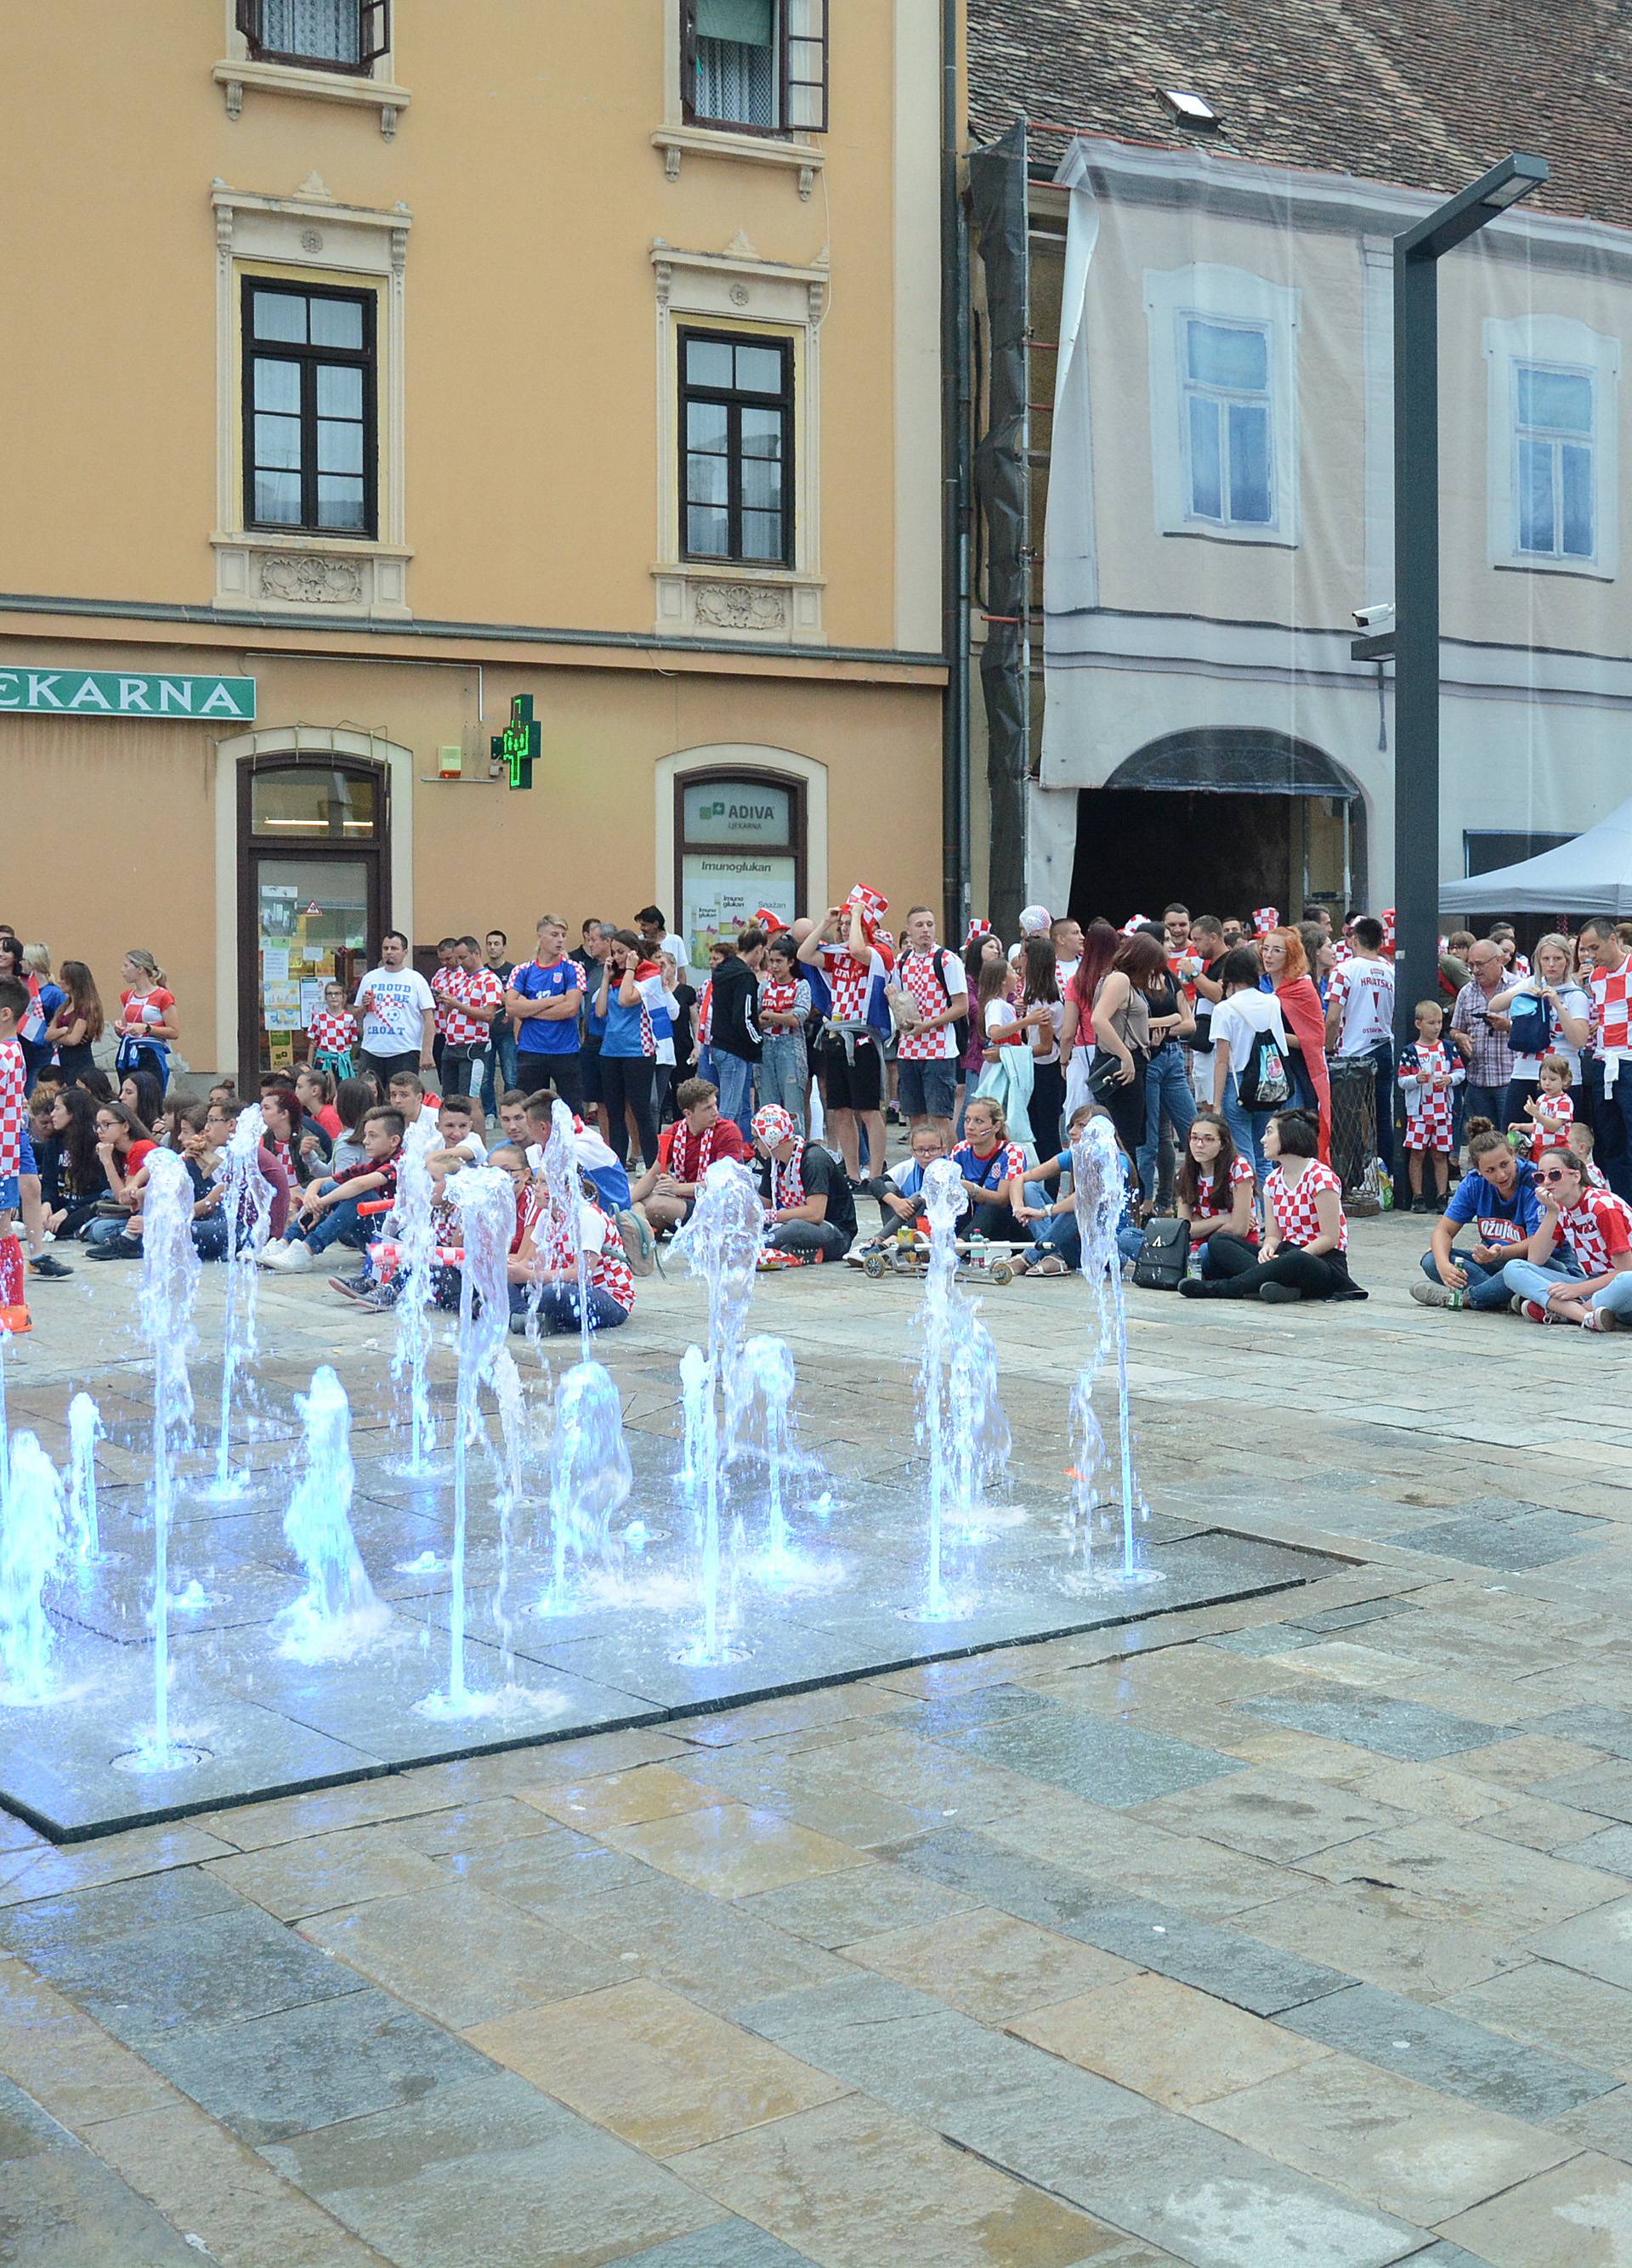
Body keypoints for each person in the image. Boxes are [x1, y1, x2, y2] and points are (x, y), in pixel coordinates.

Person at [1179, 1107, 1363, 1302]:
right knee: (1219, 1242)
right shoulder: (1273, 1181)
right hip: (1285, 1253)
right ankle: (1279, 1286)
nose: (1262, 1140)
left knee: (1296, 1259)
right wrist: (1268, 1248)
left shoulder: (1320, 1177)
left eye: (1269, 1133)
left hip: (1319, 1260)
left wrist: (1289, 1259)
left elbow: (1330, 1238)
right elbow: (1274, 1235)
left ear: (1289, 1136)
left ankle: (1223, 1288)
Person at [1413, 1117, 1559, 1311]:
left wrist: (1500, 1253)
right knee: (1431, 1260)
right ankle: (1505, 1297)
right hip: (1492, 1263)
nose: (1501, 1175)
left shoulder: (1534, 1181)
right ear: (1478, 1170)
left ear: (1513, 1154)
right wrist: (1443, 1266)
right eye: (1490, 1170)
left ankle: (1469, 1298)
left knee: (1516, 1271)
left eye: (1505, 1164)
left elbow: (1537, 1244)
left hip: (1534, 1263)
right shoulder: (1473, 1184)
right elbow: (1443, 1231)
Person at [799, 891, 893, 1184]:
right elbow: (803, 954)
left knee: (867, 1109)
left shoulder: (879, 953)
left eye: (849, 923)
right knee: (840, 1109)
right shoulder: (836, 957)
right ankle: (853, 1173)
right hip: (838, 1036)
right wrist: (824, 923)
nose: (843, 928)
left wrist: (857, 916)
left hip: (863, 1038)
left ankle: (875, 1173)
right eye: (842, 924)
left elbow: (857, 949)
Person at [260, 1106, 405, 1272]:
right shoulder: (374, 1164)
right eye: (366, 1135)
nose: (365, 1141)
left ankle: (308, 1249)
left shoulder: (400, 1163)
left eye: (373, 1136)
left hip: (395, 1241)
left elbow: (359, 1185)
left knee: (363, 1195)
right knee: (330, 1187)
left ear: (394, 1141)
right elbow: (322, 1182)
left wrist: (320, 1202)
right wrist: (311, 1197)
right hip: (372, 1237)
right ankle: (284, 1243)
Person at [1502, 1147, 1632, 1331]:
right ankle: (1585, 1316)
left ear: (1576, 1177)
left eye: (1555, 1175)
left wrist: (1576, 1290)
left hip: (1621, 1289)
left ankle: (1563, 1312)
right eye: (1540, 1177)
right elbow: (1535, 1259)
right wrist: (1551, 1212)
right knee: (1514, 1268)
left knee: (1628, 1280)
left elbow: (1625, 1270)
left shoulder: (1602, 1207)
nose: (1546, 1182)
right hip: (1595, 1288)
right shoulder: (1560, 1209)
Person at [507, 1152, 635, 1335]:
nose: (535, 1188)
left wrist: (528, 1275)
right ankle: (529, 1316)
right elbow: (534, 1262)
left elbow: (581, 1275)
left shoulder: (586, 1217)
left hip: (606, 1296)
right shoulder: (546, 1215)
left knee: (553, 1293)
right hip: (560, 1286)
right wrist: (509, 1270)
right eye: (537, 1181)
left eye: (544, 1183)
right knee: (499, 1282)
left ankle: (524, 1315)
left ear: (566, 1188)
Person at [1490, 932, 1592, 1140]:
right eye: (1546, 959)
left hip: (1563, 1074)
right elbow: (1494, 1005)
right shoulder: (1531, 983)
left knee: (1559, 1139)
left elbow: (1579, 1040)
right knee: (1514, 1137)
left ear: (1567, 960)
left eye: (1557, 959)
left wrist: (1557, 1005)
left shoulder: (1576, 995)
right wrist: (1523, 993)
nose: (1552, 964)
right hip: (1525, 1072)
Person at [1085, 930, 1165, 1179]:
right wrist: (1126, 1055)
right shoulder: (1120, 980)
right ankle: (1127, 1196)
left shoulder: (1115, 979)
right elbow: (1099, 1019)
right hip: (1121, 1064)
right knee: (1124, 1138)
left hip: (1130, 1057)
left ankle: (1126, 1193)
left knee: (1125, 1135)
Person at [889, 906, 968, 1152]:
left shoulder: (946, 960)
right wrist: (895, 1005)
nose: (925, 930)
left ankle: (953, 1170)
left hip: (939, 1051)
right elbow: (902, 1002)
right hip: (909, 1050)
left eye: (930, 924)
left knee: (939, 1119)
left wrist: (930, 1024)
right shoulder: (901, 961)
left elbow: (961, 1005)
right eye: (920, 925)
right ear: (909, 930)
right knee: (915, 1118)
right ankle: (922, 1170)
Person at [1209, 947, 1290, 1183]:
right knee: (1265, 1153)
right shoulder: (1272, 1002)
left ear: (1229, 977)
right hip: (1270, 1081)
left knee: (1243, 1155)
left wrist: (1216, 1104)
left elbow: (1222, 1060)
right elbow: (1281, 1047)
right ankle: (1269, 1215)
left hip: (1239, 1083)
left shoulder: (1224, 1009)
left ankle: (1250, 1214)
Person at [631, 1075, 745, 1236]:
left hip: (717, 1209)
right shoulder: (676, 1131)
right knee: (637, 1203)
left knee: (656, 1205)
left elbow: (724, 1184)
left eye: (715, 1105)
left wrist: (676, 1188)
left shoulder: (728, 1131)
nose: (716, 1112)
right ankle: (644, 1233)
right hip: (685, 1205)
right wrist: (624, 1202)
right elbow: (652, 1175)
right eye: (707, 1108)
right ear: (688, 1113)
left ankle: (645, 1233)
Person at [1324, 915, 1395, 1172]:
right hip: (1384, 1046)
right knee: (1383, 1118)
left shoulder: (1345, 970)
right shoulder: (1390, 970)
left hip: (1352, 1053)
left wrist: (1328, 1046)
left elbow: (1333, 1017)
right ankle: (1387, 1173)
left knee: (1349, 1120)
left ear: (1354, 939)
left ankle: (1350, 1177)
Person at [1132, 924, 1194, 1214]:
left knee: (1190, 1126)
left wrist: (1162, 1026)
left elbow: (1189, 1023)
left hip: (1171, 1056)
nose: (1172, 945)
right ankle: (1145, 1202)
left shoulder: (1170, 979)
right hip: (1148, 1061)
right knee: (1150, 1136)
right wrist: (1168, 1022)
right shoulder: (1135, 982)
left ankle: (1169, 1200)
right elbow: (1134, 1026)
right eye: (1166, 940)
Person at [594, 930, 664, 1171]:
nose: (617, 957)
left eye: (622, 952)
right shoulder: (615, 976)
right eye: (614, 953)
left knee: (640, 1111)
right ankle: (617, 1163)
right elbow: (600, 1011)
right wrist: (606, 978)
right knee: (615, 1112)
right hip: (611, 1051)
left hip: (638, 1050)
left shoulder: (650, 975)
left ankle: (654, 1164)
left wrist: (632, 969)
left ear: (634, 951)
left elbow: (626, 999)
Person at [753, 1103, 857, 1263]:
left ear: (771, 1138)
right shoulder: (773, 1161)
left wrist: (773, 1216)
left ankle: (757, 1247)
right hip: (791, 1226)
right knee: (766, 1228)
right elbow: (763, 1205)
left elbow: (815, 1213)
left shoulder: (813, 1160)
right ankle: (796, 1252)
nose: (754, 1144)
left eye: (756, 1138)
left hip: (834, 1233)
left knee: (794, 1227)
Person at [1262, 927, 1331, 1161]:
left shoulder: (1303, 988)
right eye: (1265, 949)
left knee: (1293, 1140)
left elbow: (1314, 1040)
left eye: (1276, 950)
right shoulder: (1261, 985)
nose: (1268, 955)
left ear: (1290, 955)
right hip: (1266, 1074)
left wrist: (1271, 1032)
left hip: (1297, 1075)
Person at [506, 915, 587, 1114]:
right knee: (529, 1111)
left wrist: (529, 1009)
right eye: (554, 934)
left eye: (563, 935)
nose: (560, 940)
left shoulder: (573, 969)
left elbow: (570, 1009)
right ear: (540, 937)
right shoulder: (522, 970)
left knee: (572, 1112)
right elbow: (511, 1008)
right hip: (531, 1050)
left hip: (565, 1051)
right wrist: (553, 1000)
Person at [1581, 916, 1632, 1202]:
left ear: (1613, 939)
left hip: (1628, 1061)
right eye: (1586, 949)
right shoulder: (1596, 977)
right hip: (1605, 1063)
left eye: (1594, 947)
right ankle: (1623, 1205)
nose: (1590, 954)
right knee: (1610, 1140)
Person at [1175, 1110, 1256, 1279]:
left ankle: (1183, 1270)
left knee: (1208, 1248)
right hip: (1195, 1247)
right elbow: (1183, 1230)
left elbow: (1239, 1229)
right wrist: (1224, 1218)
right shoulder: (1186, 1172)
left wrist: (1199, 1225)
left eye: (1208, 1139)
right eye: (1194, 1138)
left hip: (1231, 1246)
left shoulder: (1238, 1168)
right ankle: (1185, 1269)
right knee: (1128, 1237)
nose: (1199, 1145)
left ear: (1223, 1144)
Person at [1397, 998, 1462, 1212]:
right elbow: (1401, 1081)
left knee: (1440, 1153)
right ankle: (1418, 1196)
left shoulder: (1448, 1048)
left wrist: (1450, 1079)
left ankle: (1442, 1195)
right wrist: (1417, 1079)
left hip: (1443, 1110)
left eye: (1439, 1023)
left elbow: (1461, 1072)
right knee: (1417, 1153)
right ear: (1419, 1024)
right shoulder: (1410, 1051)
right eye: (1432, 1023)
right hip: (1419, 1113)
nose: (1436, 1028)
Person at [354, 932, 436, 1093]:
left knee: (401, 1097)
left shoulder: (415, 979)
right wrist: (364, 1007)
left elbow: (429, 1018)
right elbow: (356, 1014)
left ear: (405, 952)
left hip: (405, 1050)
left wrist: (427, 1052)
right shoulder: (370, 978)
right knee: (367, 1095)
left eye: (394, 948)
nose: (389, 952)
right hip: (372, 1049)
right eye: (385, 948)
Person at [1449, 939, 1516, 1135]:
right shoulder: (1467, 992)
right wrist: (1460, 1037)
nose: (1475, 970)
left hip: (1509, 1080)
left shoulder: (1518, 988)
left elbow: (1532, 1031)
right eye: (1471, 965)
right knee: (1480, 1143)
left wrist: (1508, 1026)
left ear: (1499, 961)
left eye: (1480, 964)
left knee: (1512, 1140)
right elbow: (1455, 1029)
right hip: (1477, 1081)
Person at [80, 1100, 158, 1255]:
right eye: (98, 1125)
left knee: (100, 1230)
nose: (100, 1131)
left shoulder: (141, 1147)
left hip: (152, 1212)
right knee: (96, 1227)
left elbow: (125, 1198)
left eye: (106, 1124)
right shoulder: (120, 1153)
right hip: (136, 1212)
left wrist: (107, 1161)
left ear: (125, 1127)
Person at [949, 1096, 1029, 1242]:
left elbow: (1003, 1199)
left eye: (978, 1121)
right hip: (968, 1217)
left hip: (1002, 1223)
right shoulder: (960, 1149)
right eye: (967, 1120)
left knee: (991, 1207)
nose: (970, 1127)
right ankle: (897, 1239)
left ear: (996, 1126)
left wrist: (972, 1189)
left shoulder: (1012, 1151)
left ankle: (961, 1245)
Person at [706, 931, 762, 1142]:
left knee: (735, 1108)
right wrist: (757, 1042)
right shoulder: (744, 976)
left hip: (719, 1043)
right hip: (735, 1048)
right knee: (728, 1112)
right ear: (758, 949)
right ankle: (717, 1157)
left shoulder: (723, 971)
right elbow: (744, 1017)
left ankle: (733, 1155)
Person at [858, 1123, 946, 1255]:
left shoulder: (948, 1167)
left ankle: (882, 1241)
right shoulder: (909, 1166)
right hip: (903, 1224)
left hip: (933, 1227)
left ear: (943, 1150)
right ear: (913, 1152)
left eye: (933, 1149)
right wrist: (896, 1202)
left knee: (920, 1196)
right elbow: (875, 1183)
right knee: (888, 1187)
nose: (927, 1155)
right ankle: (888, 1242)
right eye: (921, 1150)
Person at [756, 936, 812, 1136]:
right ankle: (768, 1152)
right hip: (766, 1049)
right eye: (771, 961)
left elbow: (798, 1018)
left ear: (791, 962)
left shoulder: (801, 986)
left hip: (791, 1050)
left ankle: (797, 1151)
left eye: (779, 961)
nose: (774, 966)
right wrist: (781, 1017)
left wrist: (771, 1015)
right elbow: (756, 1019)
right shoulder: (764, 987)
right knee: (767, 1106)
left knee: (793, 1106)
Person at [42, 1085, 109, 1240]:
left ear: (72, 1112)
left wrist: (68, 1210)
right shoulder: (54, 1142)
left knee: (65, 1226)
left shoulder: (94, 1142)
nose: (52, 1114)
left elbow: (101, 1192)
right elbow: (48, 1182)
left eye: (57, 1109)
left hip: (82, 1206)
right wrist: (46, 1203)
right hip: (59, 1203)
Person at [114, 949, 178, 1094]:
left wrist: (148, 1028)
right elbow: (125, 1026)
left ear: (140, 969)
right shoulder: (128, 996)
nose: (122, 970)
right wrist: (120, 1028)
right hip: (128, 1052)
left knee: (150, 1095)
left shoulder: (163, 996)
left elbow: (174, 1031)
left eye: (126, 966)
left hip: (151, 1054)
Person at [479, 929, 518, 1117]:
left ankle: (511, 1112)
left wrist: (499, 998)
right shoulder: (482, 973)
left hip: (507, 1030)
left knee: (510, 1075)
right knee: (486, 1078)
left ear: (504, 947)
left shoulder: (512, 971)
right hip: (484, 1032)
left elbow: (515, 999)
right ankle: (489, 1113)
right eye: (489, 943)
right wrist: (501, 998)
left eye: (496, 944)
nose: (492, 947)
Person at [46, 959, 103, 1088]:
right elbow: (48, 1035)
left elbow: (73, 1040)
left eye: (64, 979)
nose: (60, 982)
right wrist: (63, 1031)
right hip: (64, 1063)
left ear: (75, 981)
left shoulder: (86, 1008)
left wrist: (58, 1037)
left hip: (80, 1065)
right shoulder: (64, 1006)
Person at [1515, 1054, 1575, 1162]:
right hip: (1537, 1147)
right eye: (1543, 1078)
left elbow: (1554, 1126)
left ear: (1565, 1080)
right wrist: (1520, 1126)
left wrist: (1536, 1114)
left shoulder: (1564, 1101)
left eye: (1553, 1079)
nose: (1547, 1083)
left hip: (1556, 1149)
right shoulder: (1541, 1099)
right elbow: (1539, 1126)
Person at [305, 981, 359, 1083]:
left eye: (337, 993)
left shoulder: (349, 1018)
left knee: (343, 1089)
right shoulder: (319, 1018)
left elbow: (352, 1042)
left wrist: (348, 1060)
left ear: (343, 997)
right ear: (326, 997)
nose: (333, 997)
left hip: (342, 1062)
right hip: (323, 1062)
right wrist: (309, 1065)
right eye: (330, 994)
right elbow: (313, 1043)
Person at [294, 1063, 343, 1143]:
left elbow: (333, 1146)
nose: (296, 1091)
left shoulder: (328, 1116)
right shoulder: (315, 1115)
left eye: (300, 1087)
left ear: (314, 1091)